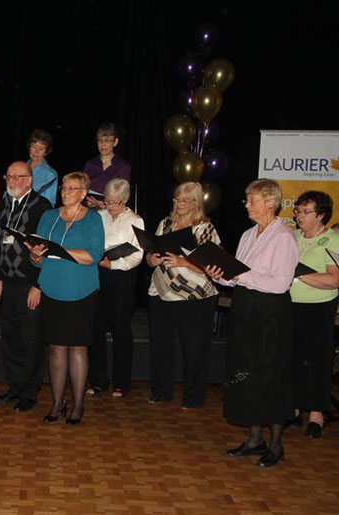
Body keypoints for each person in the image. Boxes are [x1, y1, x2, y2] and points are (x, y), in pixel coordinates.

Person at [204, 179, 299, 468]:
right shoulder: (248, 234)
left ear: (271, 203)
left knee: (270, 374)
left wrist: (239, 277)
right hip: (246, 309)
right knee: (246, 372)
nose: (246, 205)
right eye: (247, 199)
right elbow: (237, 272)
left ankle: (276, 444)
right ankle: (254, 438)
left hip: (270, 313)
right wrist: (218, 274)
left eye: (252, 200)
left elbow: (280, 284)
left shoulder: (283, 237)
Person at [25, 172, 104, 425]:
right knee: (56, 348)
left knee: (78, 347)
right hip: (52, 287)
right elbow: (36, 260)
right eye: (64, 187)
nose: (66, 192)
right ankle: (57, 402)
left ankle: (78, 404)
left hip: (82, 289)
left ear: (83, 193)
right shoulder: (48, 216)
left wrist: (59, 251)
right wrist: (37, 255)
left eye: (72, 188)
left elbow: (93, 255)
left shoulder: (93, 219)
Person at [146, 182, 220, 408]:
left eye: (185, 200)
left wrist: (182, 262)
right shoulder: (165, 224)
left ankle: (193, 396)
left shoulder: (204, 228)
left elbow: (212, 266)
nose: (179, 204)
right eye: (177, 199)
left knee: (195, 348)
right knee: (160, 346)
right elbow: (151, 253)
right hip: (161, 292)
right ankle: (161, 391)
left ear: (196, 203)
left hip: (194, 296)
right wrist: (152, 259)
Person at [0, 161, 52, 413]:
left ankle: (29, 392)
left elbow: (46, 249)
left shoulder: (42, 207)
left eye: (17, 177)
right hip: (8, 282)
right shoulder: (6, 204)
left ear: (29, 181)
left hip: (30, 284)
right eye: (8, 176)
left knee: (32, 341)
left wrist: (38, 285)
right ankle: (15, 386)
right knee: (11, 340)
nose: (11, 180)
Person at [288, 191, 339, 438]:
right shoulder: (293, 236)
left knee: (317, 360)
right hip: (291, 305)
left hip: (319, 308)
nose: (299, 216)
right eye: (297, 211)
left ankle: (317, 414)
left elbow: (333, 280)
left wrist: (298, 274)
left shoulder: (332, 239)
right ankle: (295, 410)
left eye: (305, 212)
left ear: (321, 215)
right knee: (293, 358)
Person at [88, 178, 144, 398]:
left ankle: (121, 382)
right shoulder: (99, 216)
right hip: (99, 275)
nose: (110, 207)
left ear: (126, 200)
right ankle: (98, 380)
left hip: (122, 279)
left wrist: (115, 263)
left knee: (121, 330)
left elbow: (138, 254)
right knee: (96, 329)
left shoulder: (136, 220)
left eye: (115, 203)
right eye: (107, 202)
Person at [83, 122, 131, 210]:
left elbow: (123, 198)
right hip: (90, 212)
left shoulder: (122, 166)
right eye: (100, 140)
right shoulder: (90, 164)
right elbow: (82, 191)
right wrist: (88, 202)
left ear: (115, 142)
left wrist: (104, 205)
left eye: (107, 141)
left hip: (111, 213)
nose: (103, 144)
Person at [27, 129, 58, 206]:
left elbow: (49, 204)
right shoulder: (17, 168)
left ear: (46, 152)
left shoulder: (51, 174)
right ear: (29, 147)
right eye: (34, 147)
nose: (36, 152)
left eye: (41, 149)